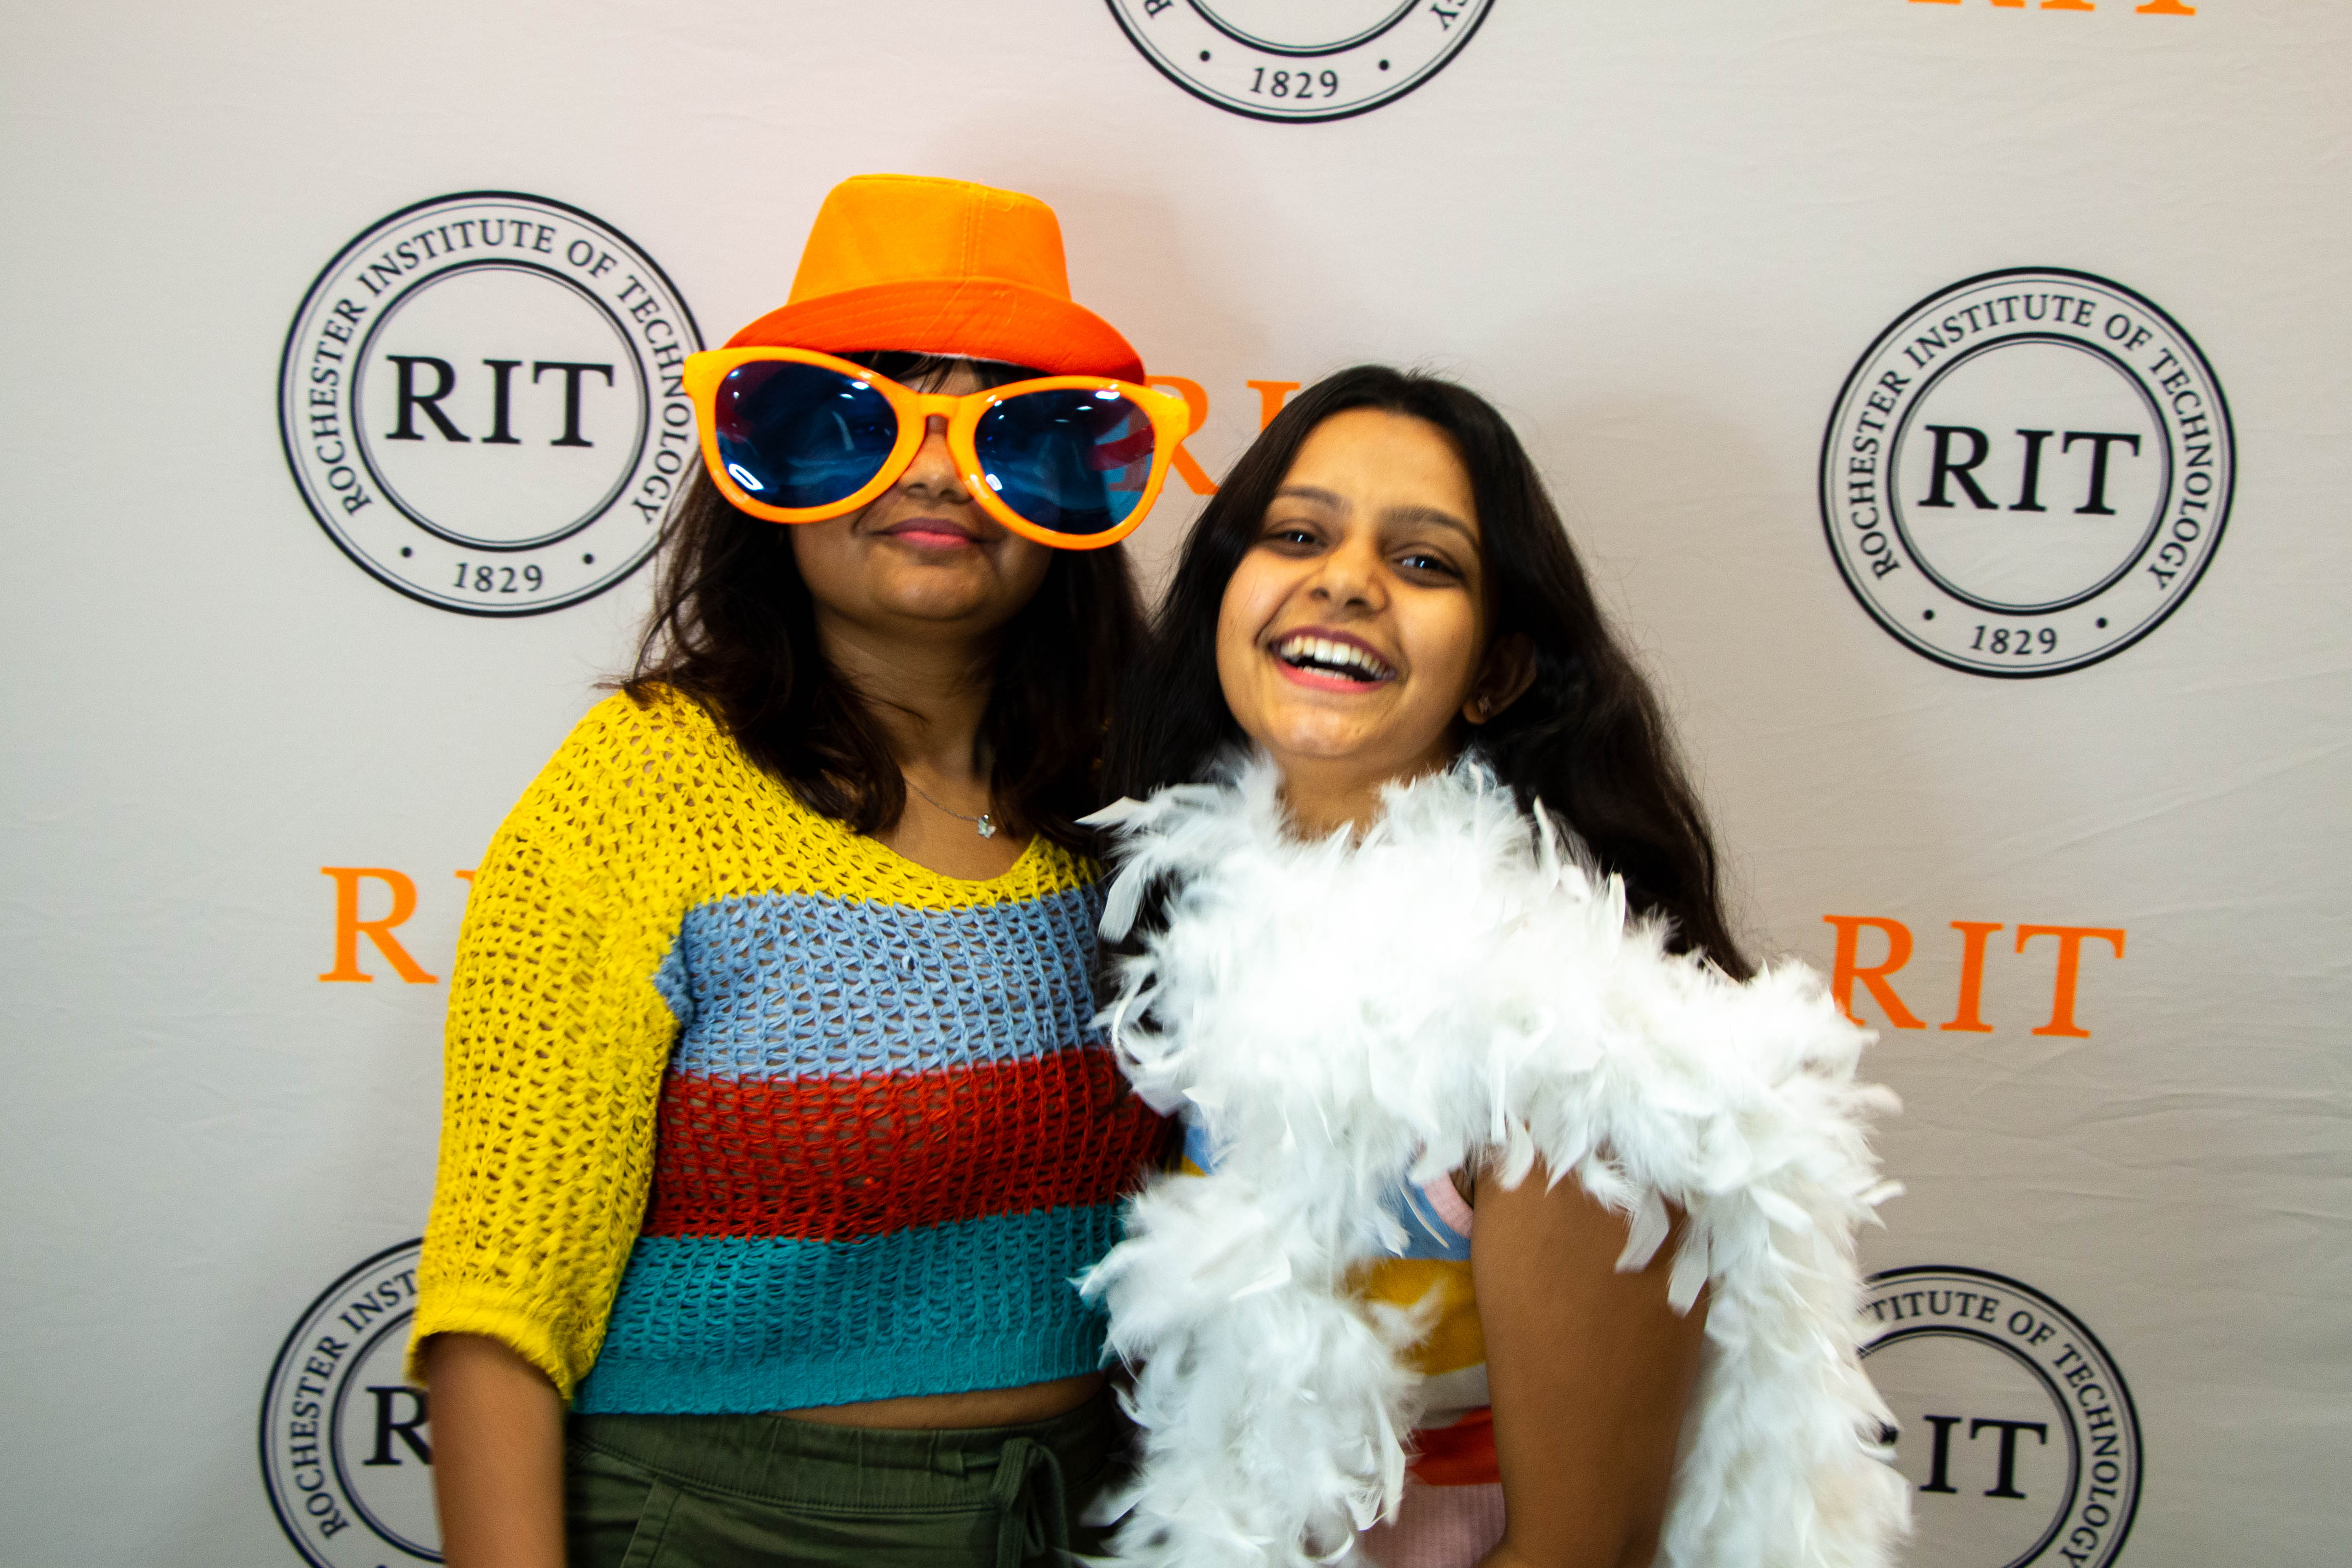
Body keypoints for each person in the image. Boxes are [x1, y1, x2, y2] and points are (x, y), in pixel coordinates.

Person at [409, 174, 1190, 1568]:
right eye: (861, 417)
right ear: (762, 458)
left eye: (1014, 430)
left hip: (1089, 1517)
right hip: (724, 1525)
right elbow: (500, 1300)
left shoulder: (1146, 811)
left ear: (1086, 486)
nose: (939, 474)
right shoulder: (643, 787)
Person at [1081, 367, 1907, 1568]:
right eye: (1299, 534)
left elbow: (1580, 1553)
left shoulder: (1567, 1047)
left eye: (1424, 563)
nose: (1348, 578)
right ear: (1225, 598)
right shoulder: (1186, 941)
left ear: (1498, 672)